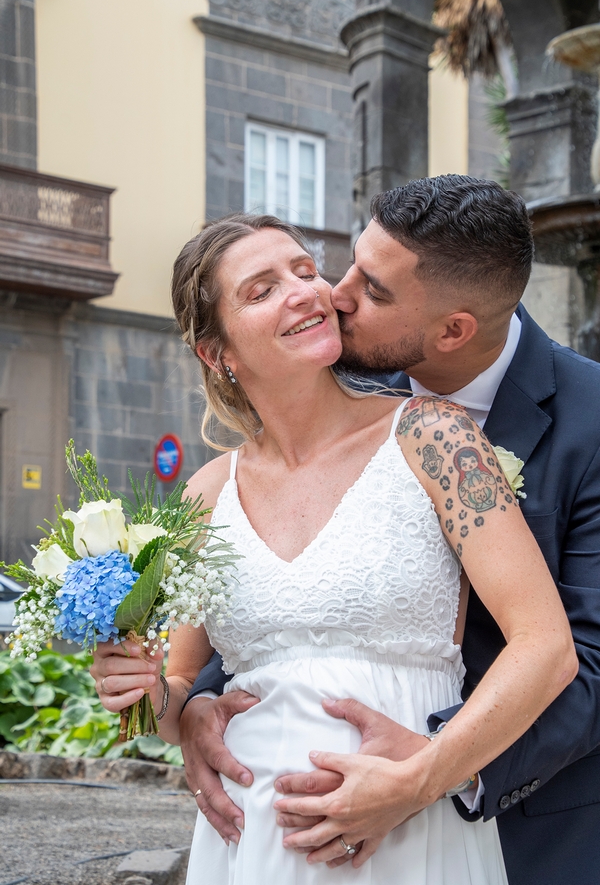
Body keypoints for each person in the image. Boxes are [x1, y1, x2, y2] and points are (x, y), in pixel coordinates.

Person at [91, 209, 577, 884]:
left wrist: (418, 780)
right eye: (261, 290)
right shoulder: (207, 493)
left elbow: (546, 647)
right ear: (217, 353)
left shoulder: (435, 438)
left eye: (303, 269)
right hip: (253, 836)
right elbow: (177, 694)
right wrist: (145, 694)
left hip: (409, 832)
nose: (306, 290)